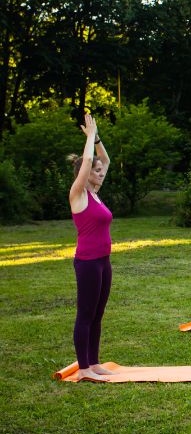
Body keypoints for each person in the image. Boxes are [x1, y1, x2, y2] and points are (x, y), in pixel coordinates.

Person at [68, 113, 115, 382]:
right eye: (96, 172)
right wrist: (88, 139)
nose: (100, 173)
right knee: (85, 313)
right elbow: (88, 161)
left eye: (100, 172)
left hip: (103, 261)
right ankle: (83, 367)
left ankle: (94, 363)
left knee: (98, 313)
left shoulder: (95, 194)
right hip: (87, 262)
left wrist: (96, 138)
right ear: (85, 175)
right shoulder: (78, 194)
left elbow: (103, 159)